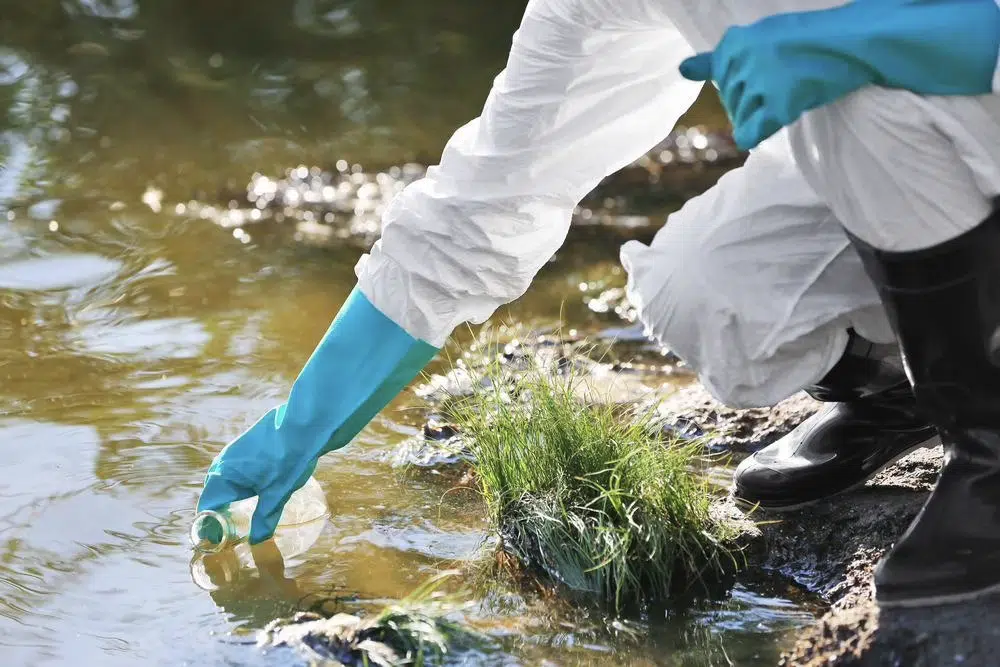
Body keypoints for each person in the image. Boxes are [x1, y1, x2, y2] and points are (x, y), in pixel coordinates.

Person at [197, 0, 1000, 608]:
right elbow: (487, 198)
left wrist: (867, 38)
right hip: (925, 167)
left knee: (862, 90)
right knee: (705, 291)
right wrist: (301, 424)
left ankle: (987, 449)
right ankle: (911, 387)